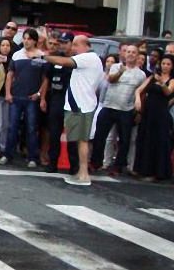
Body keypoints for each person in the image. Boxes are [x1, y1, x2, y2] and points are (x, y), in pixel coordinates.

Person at [44, 35, 104, 186]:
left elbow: (63, 61)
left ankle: (83, 173)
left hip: (81, 105)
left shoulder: (88, 58)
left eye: (76, 45)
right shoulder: (89, 59)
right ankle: (80, 172)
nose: (74, 48)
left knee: (82, 140)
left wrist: (43, 55)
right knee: (78, 139)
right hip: (77, 104)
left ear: (85, 45)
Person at [90, 44, 147, 175]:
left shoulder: (141, 74)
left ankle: (118, 166)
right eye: (128, 52)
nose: (130, 54)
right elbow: (110, 79)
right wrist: (121, 71)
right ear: (124, 54)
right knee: (100, 136)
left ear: (138, 56)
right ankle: (95, 163)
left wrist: (139, 112)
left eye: (133, 52)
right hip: (109, 106)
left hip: (126, 109)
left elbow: (141, 93)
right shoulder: (116, 66)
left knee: (125, 140)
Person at [0, 28, 45, 168]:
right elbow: (10, 75)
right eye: (24, 38)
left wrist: (39, 94)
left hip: (31, 98)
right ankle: (7, 154)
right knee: (12, 126)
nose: (26, 41)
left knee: (31, 128)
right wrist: (8, 93)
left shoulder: (41, 56)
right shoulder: (17, 55)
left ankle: (32, 157)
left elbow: (45, 79)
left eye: (29, 38)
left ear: (35, 41)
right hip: (16, 96)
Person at [133, 54, 174, 181]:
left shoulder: (173, 80)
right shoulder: (153, 77)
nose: (165, 66)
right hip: (148, 112)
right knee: (145, 138)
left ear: (172, 66)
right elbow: (139, 89)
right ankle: (142, 169)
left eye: (168, 64)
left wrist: (162, 83)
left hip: (161, 114)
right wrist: (138, 100)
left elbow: (168, 92)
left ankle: (156, 172)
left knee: (158, 141)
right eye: (163, 63)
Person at [41, 32, 78, 173]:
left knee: (72, 135)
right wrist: (43, 98)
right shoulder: (56, 58)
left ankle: (73, 166)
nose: (62, 45)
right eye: (61, 42)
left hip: (72, 99)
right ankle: (52, 163)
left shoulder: (77, 60)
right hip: (56, 98)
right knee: (54, 133)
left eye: (65, 42)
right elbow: (47, 79)